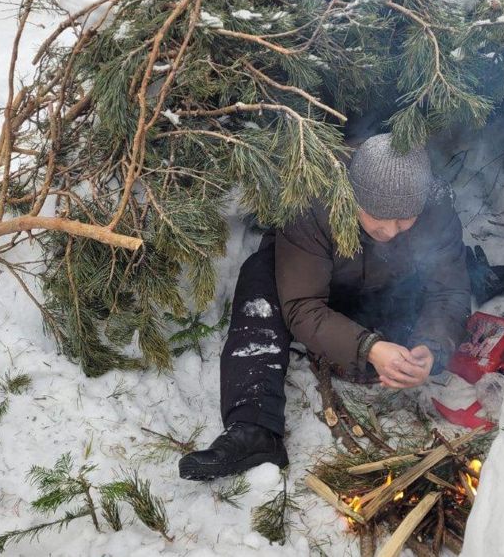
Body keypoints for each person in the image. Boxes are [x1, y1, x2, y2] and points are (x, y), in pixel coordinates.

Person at [178, 133, 471, 481]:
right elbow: (302, 306)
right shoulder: (314, 199)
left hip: (385, 294)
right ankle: (253, 428)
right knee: (260, 278)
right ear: (354, 197)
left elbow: (449, 291)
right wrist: (369, 348)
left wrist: (431, 350)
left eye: (405, 220)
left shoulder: (433, 205)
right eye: (378, 216)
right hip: (313, 290)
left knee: (423, 305)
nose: (391, 231)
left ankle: (370, 353)